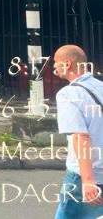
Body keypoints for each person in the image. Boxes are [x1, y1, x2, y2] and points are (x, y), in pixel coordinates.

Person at [53, 44, 103, 218]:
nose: (53, 67)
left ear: (67, 64)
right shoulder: (100, 87)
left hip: (88, 174)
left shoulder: (67, 94)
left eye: (55, 62)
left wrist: (88, 181)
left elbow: (80, 136)